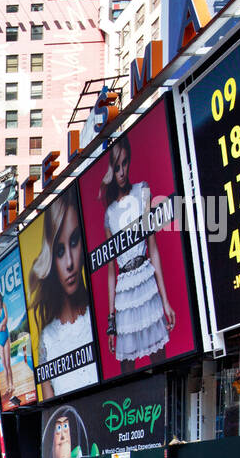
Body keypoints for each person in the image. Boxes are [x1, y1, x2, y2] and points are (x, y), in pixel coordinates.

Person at [99, 135, 177, 373]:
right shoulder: (109, 213)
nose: (121, 172)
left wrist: (165, 301)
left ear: (129, 162)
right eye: (116, 166)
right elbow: (111, 269)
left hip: (146, 279)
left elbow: (152, 246)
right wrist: (111, 321)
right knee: (127, 369)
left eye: (124, 164)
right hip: (124, 289)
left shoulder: (142, 191)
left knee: (160, 361)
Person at [28, 192, 95, 400]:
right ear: (51, 259)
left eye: (74, 241)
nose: (69, 263)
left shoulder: (100, 317)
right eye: (59, 251)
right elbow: (51, 411)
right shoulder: (47, 338)